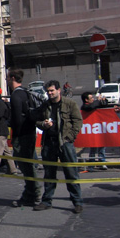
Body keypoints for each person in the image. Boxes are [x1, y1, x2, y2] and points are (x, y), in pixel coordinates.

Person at [33, 80, 84, 214]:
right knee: (49, 173)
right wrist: (43, 124)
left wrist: (70, 137)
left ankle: (77, 202)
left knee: (71, 173)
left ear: (59, 90)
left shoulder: (69, 104)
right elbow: (37, 121)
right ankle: (46, 201)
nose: (50, 93)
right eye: (48, 91)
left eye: (52, 91)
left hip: (65, 143)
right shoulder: (45, 105)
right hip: (49, 143)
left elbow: (78, 121)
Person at [7, 68, 41, 208]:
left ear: (13, 78)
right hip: (30, 132)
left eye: (8, 77)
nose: (7, 80)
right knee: (28, 165)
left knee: (26, 166)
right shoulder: (26, 93)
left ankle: (34, 192)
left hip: (22, 135)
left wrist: (15, 134)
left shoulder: (16, 96)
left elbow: (16, 119)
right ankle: (30, 193)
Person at [80, 92, 108, 171]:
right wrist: (98, 101)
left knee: (102, 146)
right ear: (86, 100)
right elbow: (90, 107)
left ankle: (102, 162)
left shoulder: (95, 104)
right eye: (91, 98)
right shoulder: (85, 106)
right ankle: (91, 164)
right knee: (93, 147)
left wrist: (103, 101)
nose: (93, 99)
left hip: (99, 128)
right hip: (92, 129)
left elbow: (104, 105)